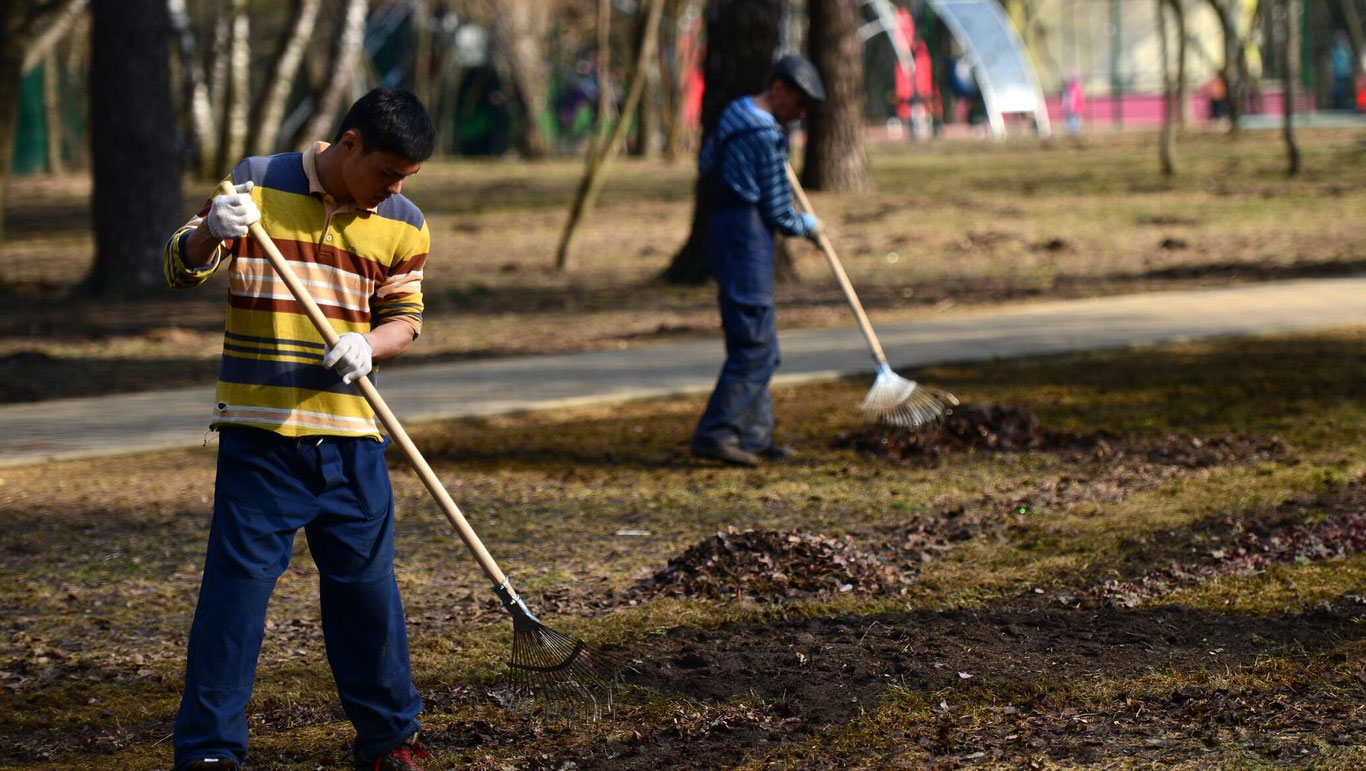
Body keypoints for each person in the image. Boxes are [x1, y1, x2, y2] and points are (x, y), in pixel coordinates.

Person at [163, 88, 436, 771]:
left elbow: (406, 318)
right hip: (260, 438)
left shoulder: (404, 221)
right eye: (386, 172)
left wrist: (371, 345)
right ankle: (210, 752)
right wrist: (210, 230)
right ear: (349, 145)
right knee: (235, 598)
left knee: (368, 599)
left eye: (406, 177)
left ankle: (388, 741)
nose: (393, 188)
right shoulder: (254, 182)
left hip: (351, 441)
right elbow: (181, 266)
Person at [690, 55, 824, 467]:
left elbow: (706, 162)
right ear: (778, 87)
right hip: (747, 237)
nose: (800, 115)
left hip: (723, 227)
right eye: (798, 104)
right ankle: (716, 433)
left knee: (757, 342)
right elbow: (780, 214)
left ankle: (754, 435)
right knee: (754, 345)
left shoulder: (735, 111)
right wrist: (810, 225)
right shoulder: (765, 135)